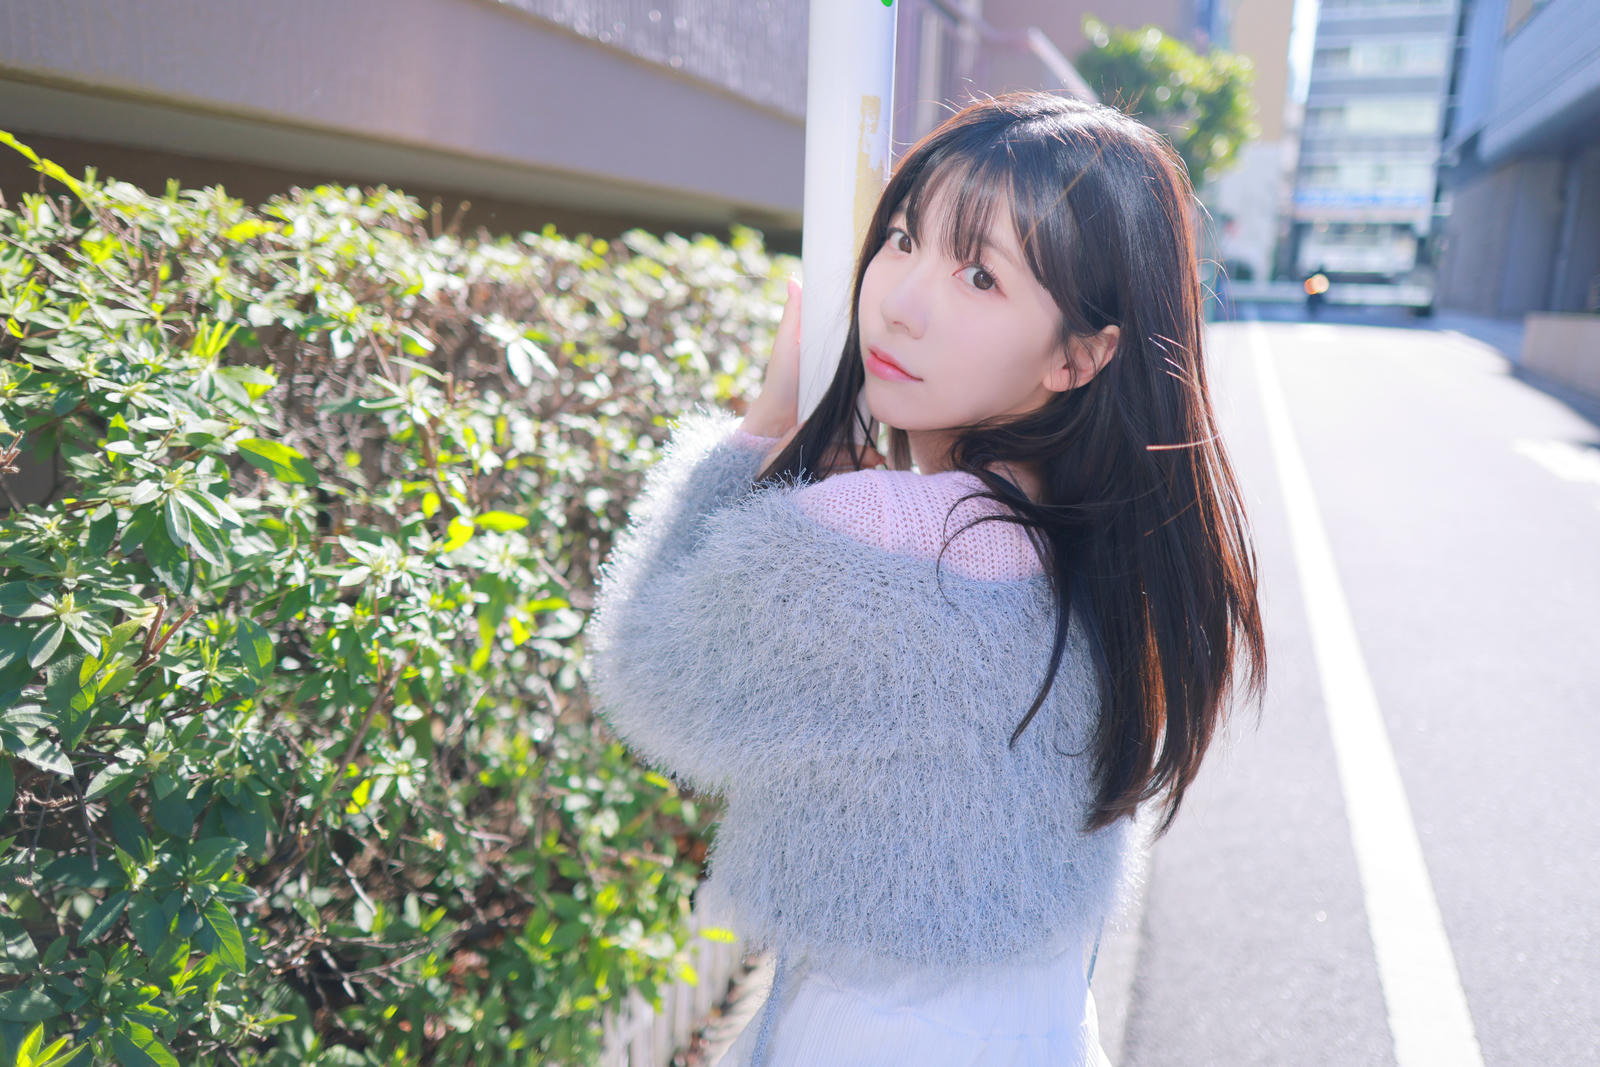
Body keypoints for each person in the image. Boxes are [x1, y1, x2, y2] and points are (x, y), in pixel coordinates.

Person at [585, 90, 1268, 1067]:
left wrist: (758, 434)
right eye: (902, 237)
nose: (899, 300)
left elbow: (647, 674)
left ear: (1080, 354)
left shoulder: (882, 534)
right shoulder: (1100, 549)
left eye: (979, 275)